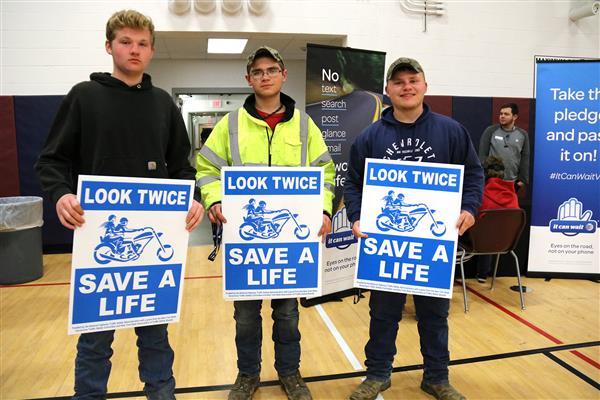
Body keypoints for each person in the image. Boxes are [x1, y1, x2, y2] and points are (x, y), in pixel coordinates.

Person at [35, 9, 204, 399]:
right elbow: (51, 159)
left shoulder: (163, 104)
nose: (134, 50)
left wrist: (191, 196)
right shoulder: (84, 96)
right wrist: (61, 194)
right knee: (94, 344)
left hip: (153, 253)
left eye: (142, 44)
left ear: (152, 50)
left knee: (156, 339)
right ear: (109, 45)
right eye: (126, 42)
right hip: (98, 245)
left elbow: (182, 166)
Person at [196, 46, 335, 400]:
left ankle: (289, 372)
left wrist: (324, 210)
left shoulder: (305, 124)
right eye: (257, 72)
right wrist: (213, 199)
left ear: (283, 75)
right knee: (246, 316)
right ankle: (247, 375)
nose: (265, 76)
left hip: (290, 243)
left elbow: (326, 172)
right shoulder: (230, 125)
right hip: (245, 242)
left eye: (271, 69)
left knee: (287, 314)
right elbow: (207, 169)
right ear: (248, 79)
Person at [344, 57, 483, 400]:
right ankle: (377, 373)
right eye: (399, 82)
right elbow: (353, 182)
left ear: (424, 86)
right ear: (388, 91)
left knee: (434, 314)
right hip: (386, 244)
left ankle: (436, 377)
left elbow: (474, 175)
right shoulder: (371, 136)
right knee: (383, 313)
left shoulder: (451, 131)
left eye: (413, 80)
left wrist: (469, 208)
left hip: (432, 245)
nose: (407, 87)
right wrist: (357, 215)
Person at [474, 156, 519, 282]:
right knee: (491, 231)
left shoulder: (480, 195)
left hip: (479, 243)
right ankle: (483, 274)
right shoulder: (513, 195)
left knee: (485, 231)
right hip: (508, 243)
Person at [478, 103, 530, 196]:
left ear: (515, 117)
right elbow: (482, 155)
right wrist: (486, 177)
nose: (502, 116)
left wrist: (522, 180)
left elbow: (525, 157)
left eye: (506, 114)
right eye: (501, 114)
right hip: (492, 181)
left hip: (512, 182)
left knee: (508, 209)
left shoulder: (523, 134)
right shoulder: (490, 131)